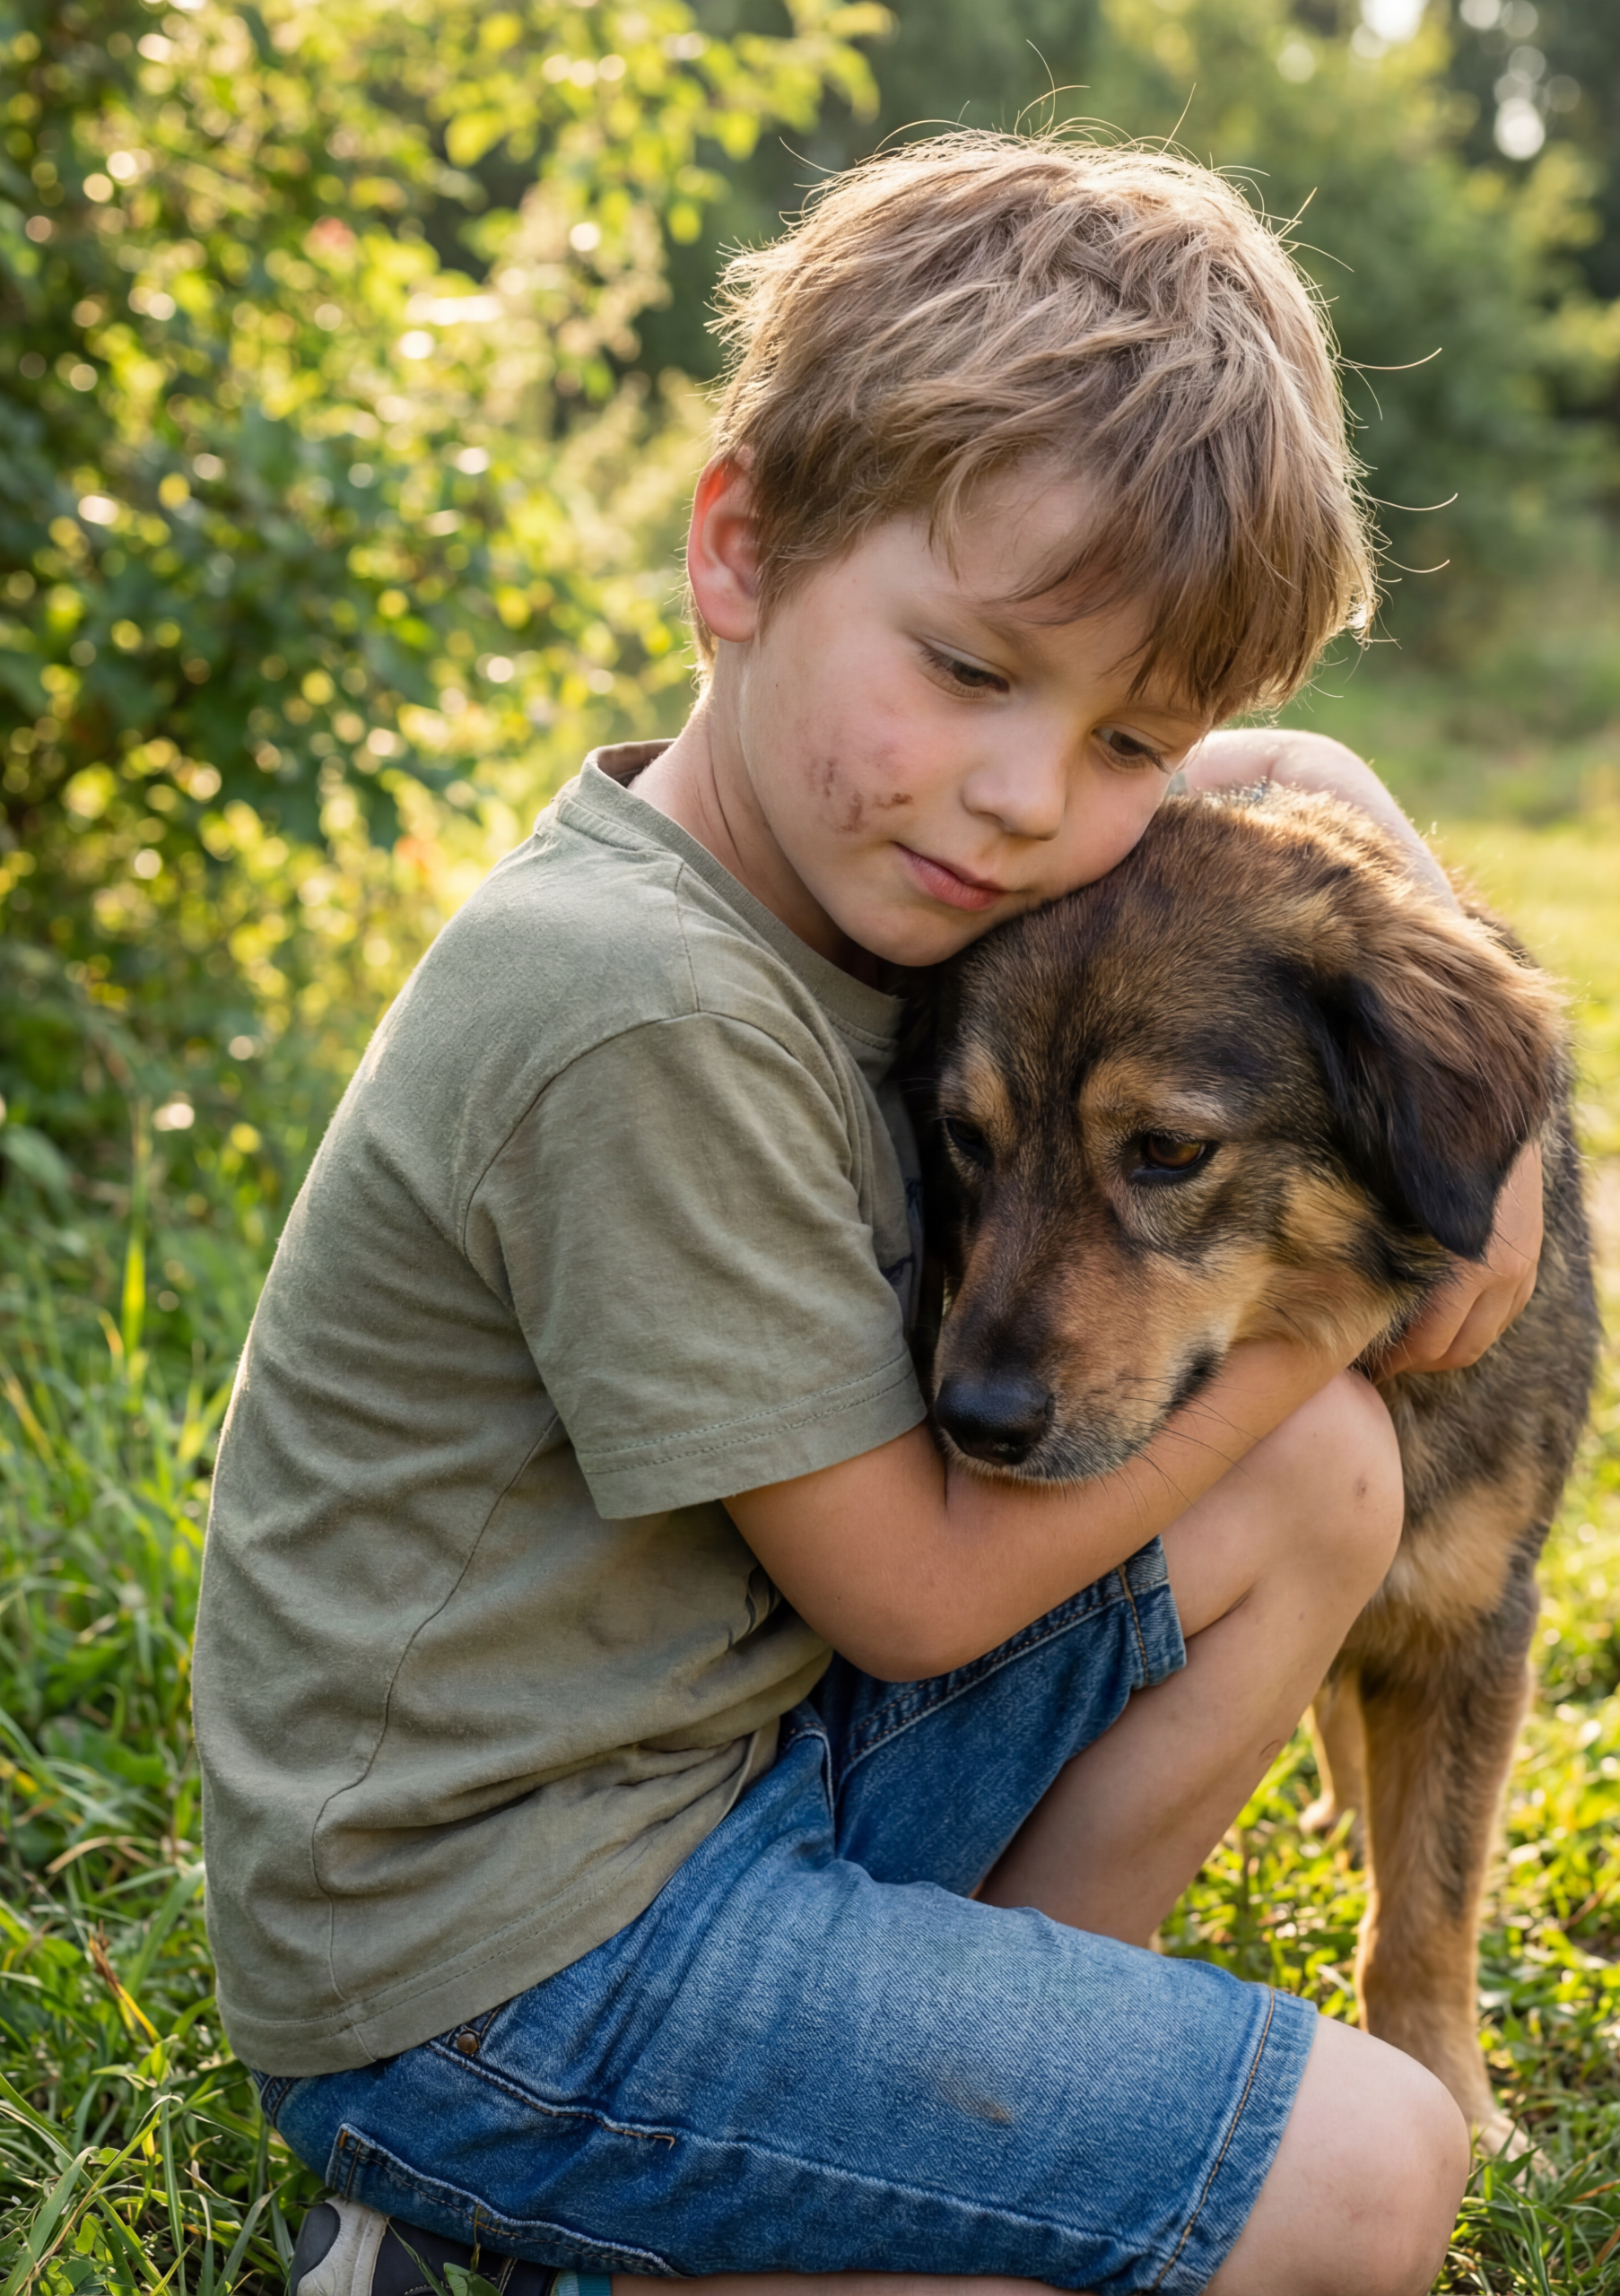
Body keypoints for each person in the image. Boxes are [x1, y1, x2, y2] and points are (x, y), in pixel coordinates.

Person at [192, 133, 1543, 2296]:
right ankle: (524, 2219)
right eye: (977, 670)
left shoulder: (869, 845)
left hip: (717, 1782)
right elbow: (919, 1602)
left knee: (1319, 1484)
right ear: (735, 544)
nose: (1033, 798)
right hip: (488, 1965)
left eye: (1128, 733)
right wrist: (1317, 1307)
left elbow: (1274, 809)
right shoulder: (632, 1006)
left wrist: (1361, 839)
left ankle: (874, 2133)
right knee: (1369, 2179)